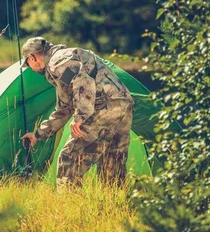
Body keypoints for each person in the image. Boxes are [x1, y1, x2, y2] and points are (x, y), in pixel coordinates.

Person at [20, 37, 134, 185]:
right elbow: (65, 108)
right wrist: (37, 135)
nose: (31, 68)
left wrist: (80, 117)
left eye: (28, 64)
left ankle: (70, 205)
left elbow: (83, 82)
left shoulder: (57, 61)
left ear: (32, 57)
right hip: (123, 106)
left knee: (69, 159)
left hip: (103, 108)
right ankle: (115, 205)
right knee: (112, 164)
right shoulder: (67, 56)